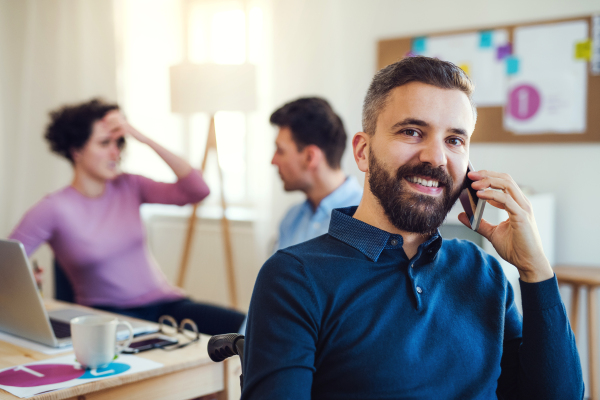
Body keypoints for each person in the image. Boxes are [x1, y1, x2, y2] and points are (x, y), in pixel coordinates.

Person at [241, 57, 583, 399]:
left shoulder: (484, 272)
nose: (435, 158)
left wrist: (535, 268)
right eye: (412, 131)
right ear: (363, 151)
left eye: (454, 140)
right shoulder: (294, 278)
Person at [9, 98, 245, 336]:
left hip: (166, 305)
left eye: (119, 142)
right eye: (104, 143)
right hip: (108, 317)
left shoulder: (130, 185)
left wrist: (138, 135)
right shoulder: (54, 208)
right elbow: (6, 263)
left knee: (252, 327)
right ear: (76, 151)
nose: (116, 152)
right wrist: (27, 283)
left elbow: (198, 190)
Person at [270, 97, 363, 251]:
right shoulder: (290, 219)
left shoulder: (369, 219)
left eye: (280, 151)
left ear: (310, 157)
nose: (273, 161)